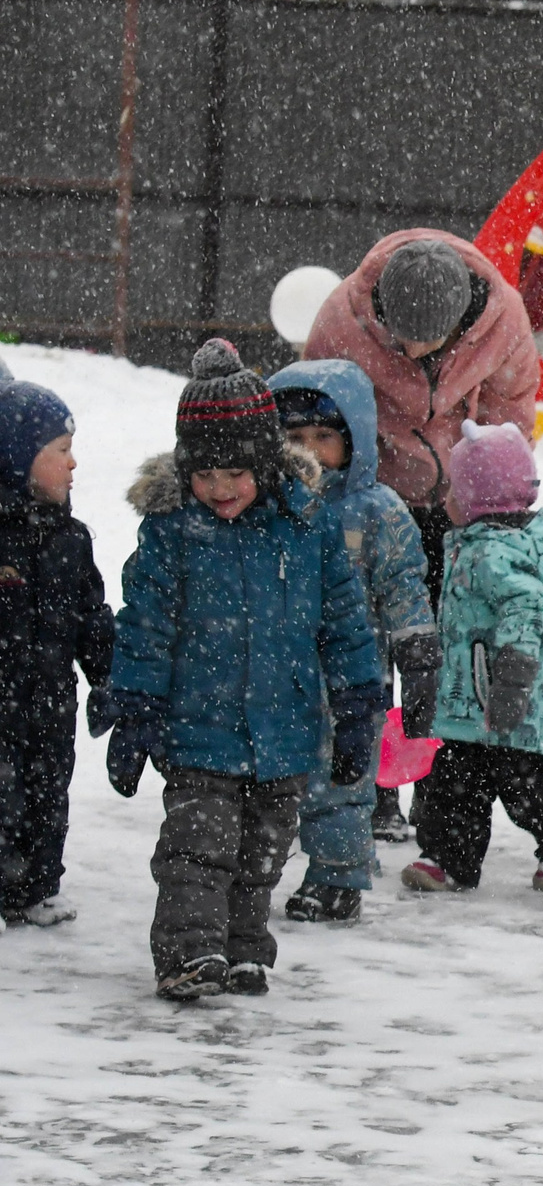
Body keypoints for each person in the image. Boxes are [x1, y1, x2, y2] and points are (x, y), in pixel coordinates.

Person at [107, 340, 384, 1000]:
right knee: (196, 851)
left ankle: (243, 949)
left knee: (262, 854)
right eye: (204, 475)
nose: (221, 489)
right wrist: (135, 710)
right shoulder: (172, 534)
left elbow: (344, 623)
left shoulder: (305, 526)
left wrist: (355, 704)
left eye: (235, 472)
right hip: (199, 727)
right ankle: (188, 951)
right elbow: (144, 627)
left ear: (264, 460)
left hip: (282, 730)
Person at [303, 230, 539, 841]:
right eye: (401, 338)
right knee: (368, 647)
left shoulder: (502, 320)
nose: (411, 350)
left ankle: (436, 786)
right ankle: (372, 785)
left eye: (425, 340)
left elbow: (510, 413)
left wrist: (490, 506)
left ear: (460, 320)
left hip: (457, 508)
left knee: (443, 649)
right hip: (373, 504)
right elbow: (316, 412)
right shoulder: (342, 321)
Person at [400, 421, 543, 897]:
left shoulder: (491, 551)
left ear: (474, 500)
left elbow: (528, 610)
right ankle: (448, 859)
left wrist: (511, 685)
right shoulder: (508, 538)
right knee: (455, 782)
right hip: (475, 700)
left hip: (512, 700)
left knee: (528, 784)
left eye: (453, 487)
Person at [270, 362, 438, 924]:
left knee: (342, 781)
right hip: (276, 673)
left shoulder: (375, 510)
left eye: (325, 437)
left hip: (351, 677)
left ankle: (338, 877)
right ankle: (249, 872)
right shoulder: (268, 505)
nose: (311, 451)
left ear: (355, 439)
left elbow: (405, 588)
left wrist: (417, 657)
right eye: (294, 439)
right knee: (267, 782)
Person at [0, 379, 114, 927]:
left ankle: (38, 885)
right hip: (3, 703)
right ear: (20, 460)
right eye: (61, 451)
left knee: (48, 792)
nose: (73, 465)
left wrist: (110, 676)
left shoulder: (72, 538)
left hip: (50, 702)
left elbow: (93, 618)